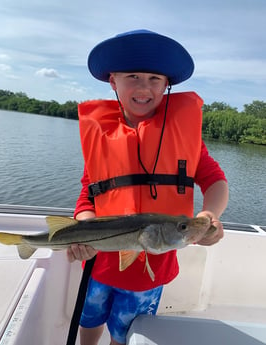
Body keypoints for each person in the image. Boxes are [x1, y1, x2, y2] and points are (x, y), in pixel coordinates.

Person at [67, 29, 229, 345]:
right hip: (99, 260)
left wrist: (209, 215)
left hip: (151, 268)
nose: (144, 87)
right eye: (133, 76)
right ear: (113, 81)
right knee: (89, 321)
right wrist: (84, 225)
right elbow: (90, 189)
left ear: (167, 85)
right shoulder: (102, 137)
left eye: (155, 78)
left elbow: (214, 179)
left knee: (123, 335)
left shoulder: (186, 138)